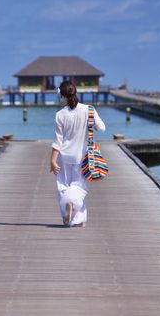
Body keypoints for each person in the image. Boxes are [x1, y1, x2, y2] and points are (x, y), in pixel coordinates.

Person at [50, 81, 106, 227]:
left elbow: (58, 140)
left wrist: (52, 161)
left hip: (64, 156)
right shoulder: (89, 110)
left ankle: (73, 213)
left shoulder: (59, 115)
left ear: (62, 96)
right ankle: (76, 215)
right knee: (79, 187)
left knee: (62, 185)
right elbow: (102, 128)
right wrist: (90, 124)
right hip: (82, 156)